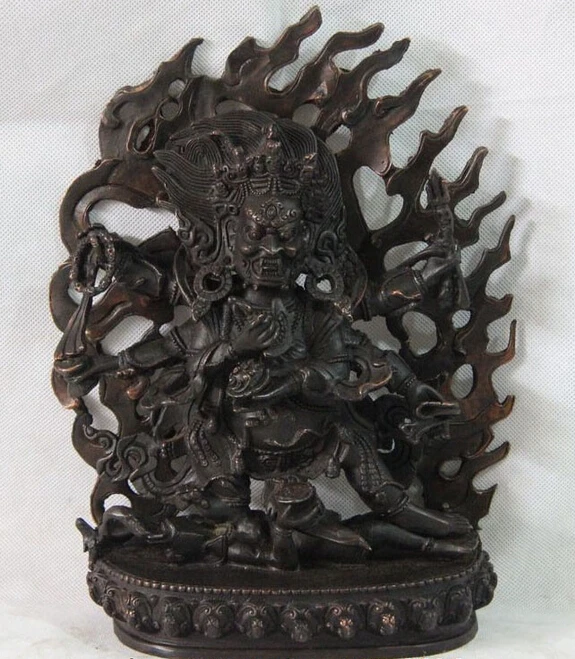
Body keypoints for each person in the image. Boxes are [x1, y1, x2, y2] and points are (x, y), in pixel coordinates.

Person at [57, 111, 474, 568]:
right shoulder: (222, 314)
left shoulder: (313, 313)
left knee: (373, 474)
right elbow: (171, 347)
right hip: (232, 442)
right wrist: (107, 363)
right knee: (227, 521)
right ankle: (218, 535)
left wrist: (414, 390)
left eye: (287, 236)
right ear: (227, 235)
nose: (272, 251)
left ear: (309, 240)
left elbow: (368, 353)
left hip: (320, 433)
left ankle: (422, 529)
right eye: (256, 234)